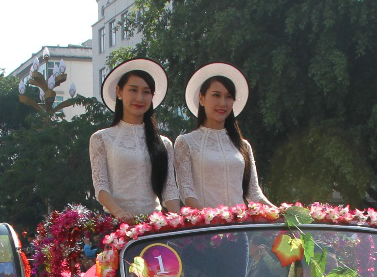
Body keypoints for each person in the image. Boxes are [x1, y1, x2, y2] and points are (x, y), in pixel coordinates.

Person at [90, 58, 181, 221]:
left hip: (154, 227)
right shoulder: (102, 139)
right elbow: (101, 188)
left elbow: (170, 190)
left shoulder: (164, 144)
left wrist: (179, 221)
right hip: (117, 225)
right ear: (119, 92)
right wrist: (120, 213)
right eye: (133, 90)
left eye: (146, 92)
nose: (140, 98)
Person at [175, 64, 273, 210]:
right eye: (216, 95)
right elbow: (186, 192)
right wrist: (211, 219)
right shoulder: (186, 142)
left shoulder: (243, 145)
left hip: (239, 228)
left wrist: (281, 213)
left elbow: (254, 193)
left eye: (228, 97)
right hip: (206, 228)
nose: (222, 103)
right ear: (201, 98)